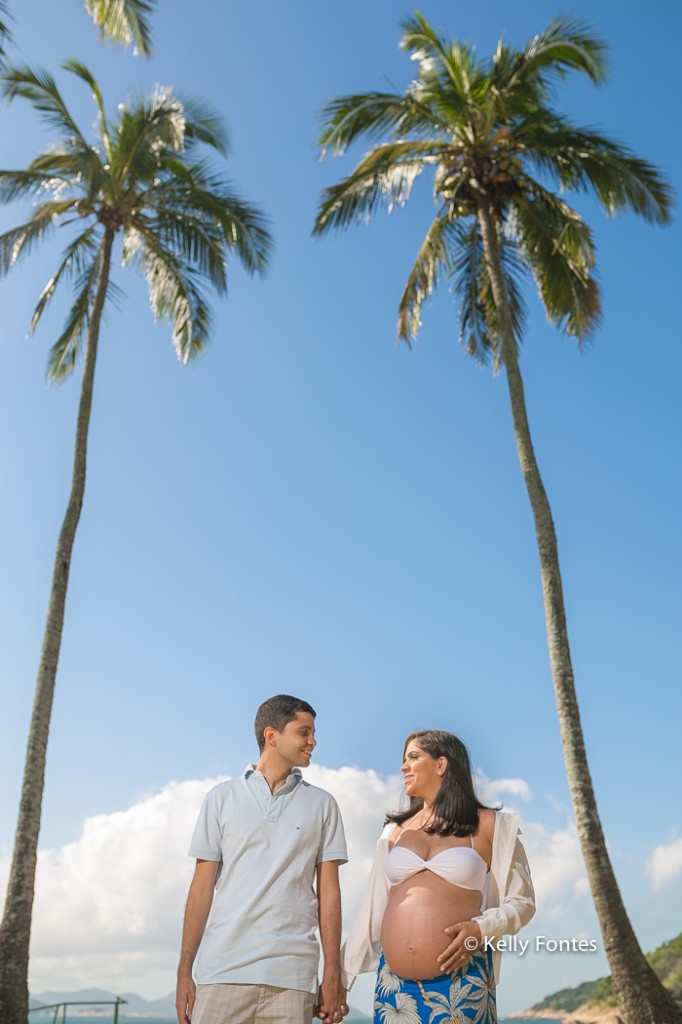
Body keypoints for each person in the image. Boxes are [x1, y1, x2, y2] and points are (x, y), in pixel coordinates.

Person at [340, 729, 535, 1024]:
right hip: (393, 989)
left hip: (463, 980)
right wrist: (340, 981)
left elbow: (523, 902)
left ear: (441, 764)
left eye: (413, 757)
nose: (403, 767)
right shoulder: (395, 832)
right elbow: (372, 910)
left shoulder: (490, 825)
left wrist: (480, 929)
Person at [176, 695, 349, 1024]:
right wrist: (184, 972)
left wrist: (331, 974)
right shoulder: (221, 798)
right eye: (304, 732)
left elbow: (330, 894)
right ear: (272, 736)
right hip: (222, 971)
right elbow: (200, 889)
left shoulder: (323, 804)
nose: (313, 741)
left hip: (293, 977)